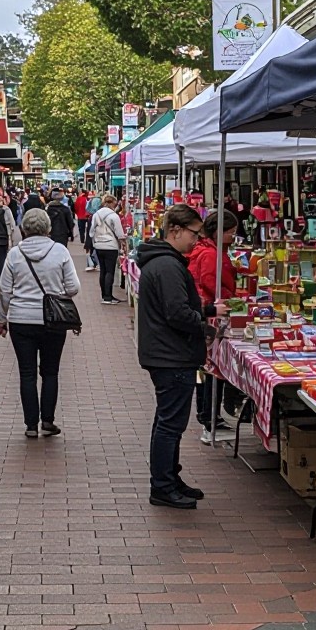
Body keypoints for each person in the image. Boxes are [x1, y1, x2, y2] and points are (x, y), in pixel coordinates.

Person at [136, 205, 221, 509]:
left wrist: (206, 312)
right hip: (171, 354)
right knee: (170, 425)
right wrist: (202, 326)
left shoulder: (161, 262)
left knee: (167, 422)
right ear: (175, 230)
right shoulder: (168, 265)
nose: (197, 240)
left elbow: (175, 307)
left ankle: (169, 479)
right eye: (194, 234)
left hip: (166, 352)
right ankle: (162, 485)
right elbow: (177, 312)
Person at [0, 208, 81, 438]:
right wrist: (57, 293)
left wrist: (2, 318)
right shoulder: (60, 251)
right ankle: (48, 420)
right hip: (53, 320)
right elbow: (73, 287)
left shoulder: (15, 254)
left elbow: (5, 291)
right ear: (48, 228)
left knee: (27, 373)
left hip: (20, 319)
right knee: (50, 371)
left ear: (23, 229)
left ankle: (30, 425)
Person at [188, 211, 241, 444]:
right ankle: (209, 415)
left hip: (206, 311)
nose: (233, 235)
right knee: (210, 368)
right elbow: (211, 282)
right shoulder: (211, 254)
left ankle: (207, 413)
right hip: (211, 315)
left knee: (206, 368)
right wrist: (228, 302)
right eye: (230, 231)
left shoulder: (207, 250)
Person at [90, 194, 126, 304]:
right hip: (110, 246)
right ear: (111, 203)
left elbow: (91, 231)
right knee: (110, 271)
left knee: (103, 271)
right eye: (115, 204)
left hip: (99, 245)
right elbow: (119, 233)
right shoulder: (114, 216)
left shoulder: (96, 215)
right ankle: (108, 297)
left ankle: (104, 295)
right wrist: (123, 242)